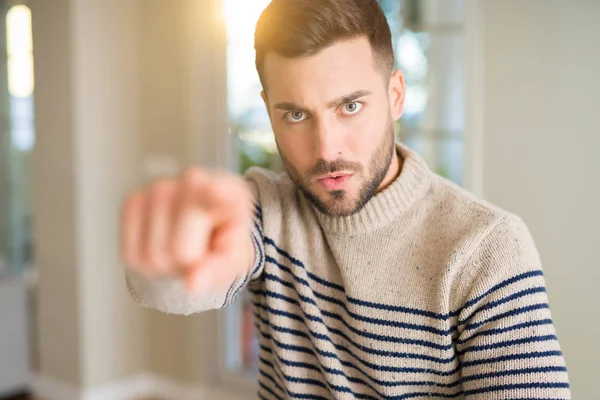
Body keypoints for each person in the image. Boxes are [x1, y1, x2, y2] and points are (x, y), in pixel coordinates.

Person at [121, 0, 571, 398]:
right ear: (269, 111)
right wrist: (177, 260)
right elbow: (169, 286)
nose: (327, 149)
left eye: (350, 107)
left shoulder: (487, 248)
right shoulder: (265, 210)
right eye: (296, 115)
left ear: (395, 96)